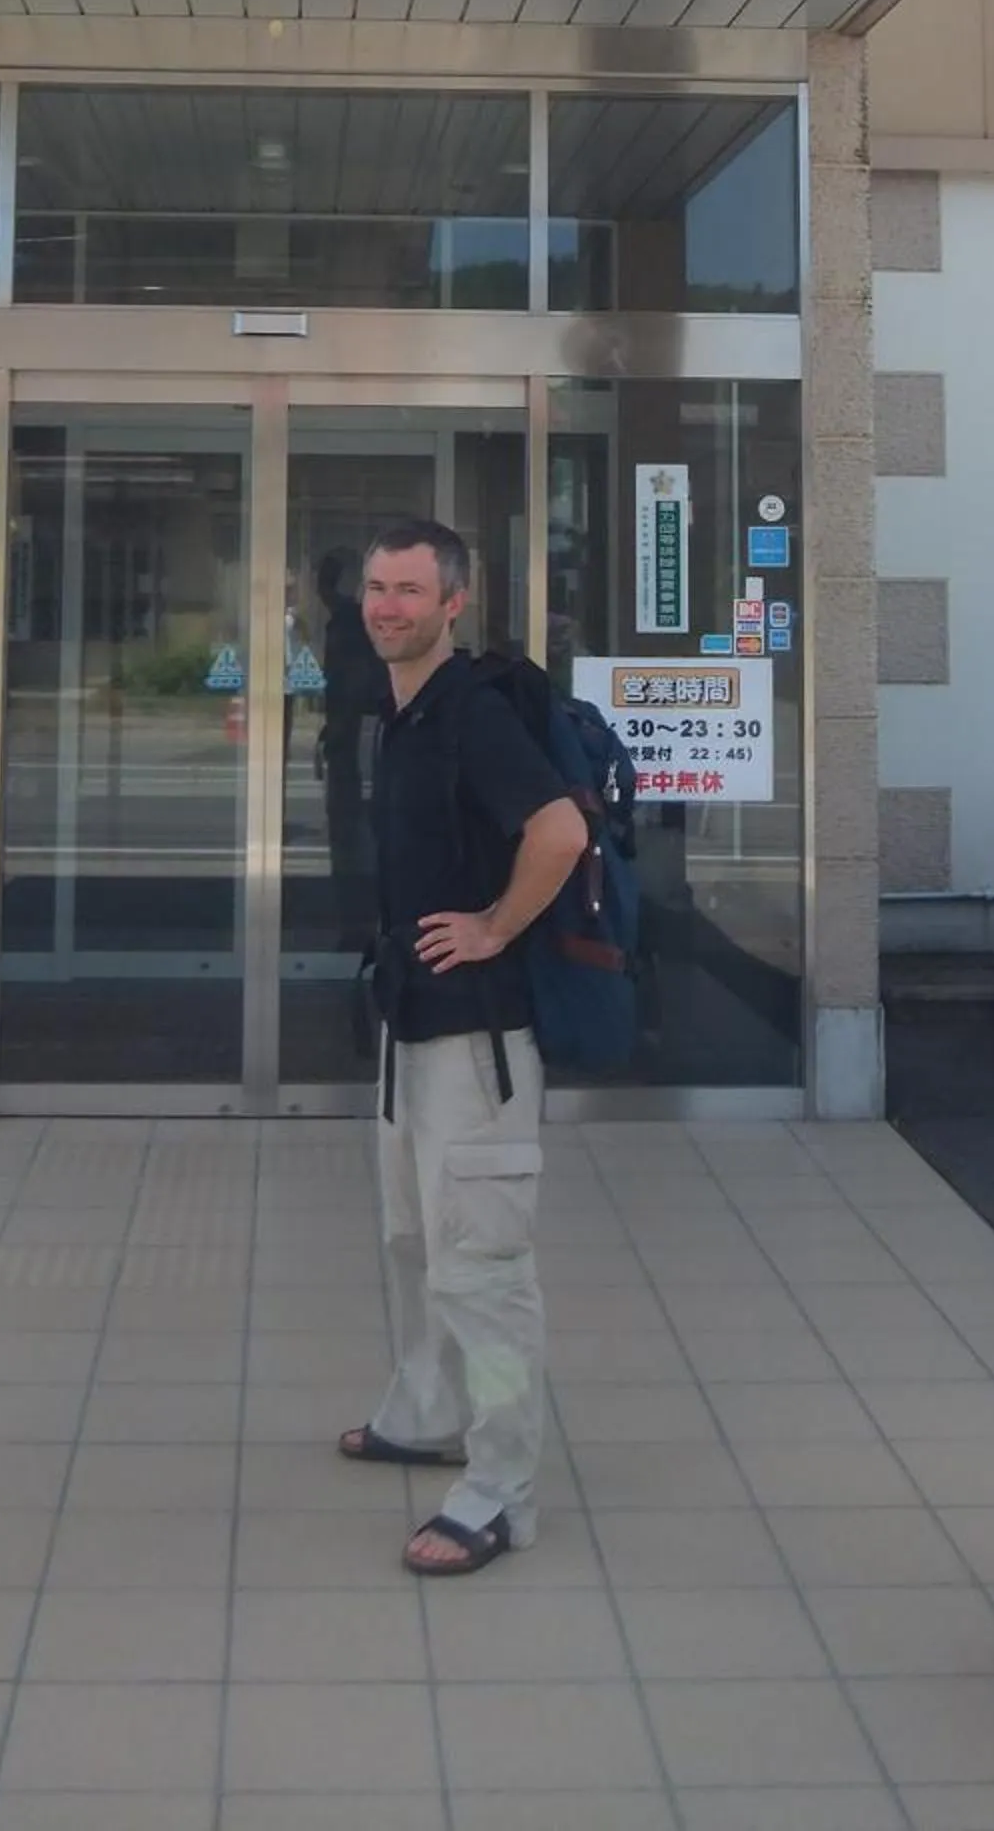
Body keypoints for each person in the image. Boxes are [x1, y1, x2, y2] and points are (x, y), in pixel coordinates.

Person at [336, 517, 588, 1578]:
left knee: (481, 1271)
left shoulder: (474, 714)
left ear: (453, 603)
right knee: (414, 1248)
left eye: (409, 590)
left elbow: (560, 831)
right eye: (375, 588)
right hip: (413, 1032)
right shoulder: (403, 714)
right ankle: (427, 1412)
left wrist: (492, 925)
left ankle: (500, 1491)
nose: (387, 606)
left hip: (478, 1046)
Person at [314, 544, 389, 948]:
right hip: (348, 736)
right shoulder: (350, 618)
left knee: (358, 833)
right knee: (349, 832)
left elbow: (357, 686)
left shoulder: (360, 623)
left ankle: (364, 925)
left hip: (360, 736)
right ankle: (357, 924)